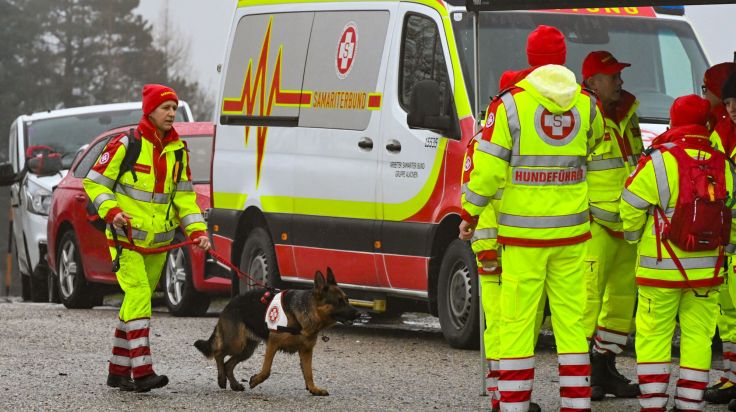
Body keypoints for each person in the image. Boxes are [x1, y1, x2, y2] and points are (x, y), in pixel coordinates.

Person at [460, 24, 604, 411]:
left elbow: (487, 172)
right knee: (572, 325)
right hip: (572, 236)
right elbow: (593, 153)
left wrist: (470, 214)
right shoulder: (588, 104)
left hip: (524, 238)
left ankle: (514, 405)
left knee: (518, 324)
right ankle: (576, 405)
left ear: (529, 57)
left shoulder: (509, 105)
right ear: (563, 58)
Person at [84, 84, 211, 392]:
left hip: (159, 242)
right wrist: (112, 211)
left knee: (135, 300)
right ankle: (142, 372)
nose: (172, 113)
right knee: (140, 295)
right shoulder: (125, 143)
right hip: (125, 238)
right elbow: (95, 183)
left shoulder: (178, 151)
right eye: (166, 108)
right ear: (150, 110)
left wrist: (197, 232)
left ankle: (117, 371)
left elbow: (184, 199)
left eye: (174, 108)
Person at [620, 94, 736, 411]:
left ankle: (654, 404)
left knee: (654, 337)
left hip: (660, 269)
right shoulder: (723, 164)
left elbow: (630, 205)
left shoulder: (660, 159)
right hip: (708, 272)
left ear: (674, 121)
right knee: (698, 339)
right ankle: (688, 405)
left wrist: (635, 238)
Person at [579, 50, 642, 400]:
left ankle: (605, 369)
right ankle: (582, 374)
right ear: (591, 82)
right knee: (587, 300)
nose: (620, 81)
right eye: (612, 75)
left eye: (619, 74)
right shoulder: (581, 115)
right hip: (592, 224)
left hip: (625, 224)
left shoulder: (628, 112)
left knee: (620, 302)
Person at [707, 70, 736, 405]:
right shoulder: (720, 132)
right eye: (728, 101)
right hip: (725, 235)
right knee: (727, 313)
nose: (731, 107)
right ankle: (731, 376)